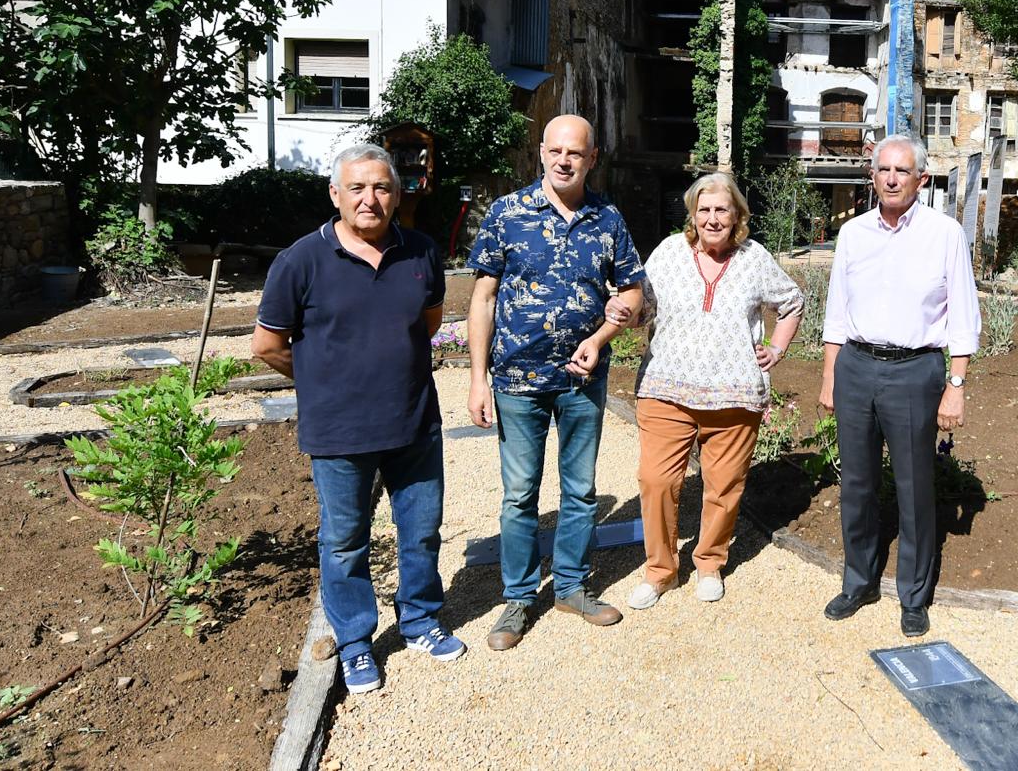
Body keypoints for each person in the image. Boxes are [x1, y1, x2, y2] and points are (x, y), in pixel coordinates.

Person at [252, 144, 462, 696]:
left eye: (383, 188)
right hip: (340, 432)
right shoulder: (301, 260)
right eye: (358, 188)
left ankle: (418, 620)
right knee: (345, 542)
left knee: (421, 533)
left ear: (397, 194)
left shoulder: (419, 251)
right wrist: (324, 384)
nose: (371, 199)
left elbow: (428, 319)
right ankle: (355, 643)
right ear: (336, 195)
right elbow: (268, 345)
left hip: (415, 422)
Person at [467, 114, 645, 649]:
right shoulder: (507, 213)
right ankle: (519, 598)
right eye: (555, 151)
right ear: (541, 152)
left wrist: (604, 335)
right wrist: (477, 380)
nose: (564, 160)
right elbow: (483, 299)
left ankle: (571, 585)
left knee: (580, 490)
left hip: (581, 381)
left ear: (593, 159)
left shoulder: (607, 218)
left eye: (576, 153)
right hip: (517, 379)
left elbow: (633, 295)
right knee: (520, 494)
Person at [604, 172, 803, 610]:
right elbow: (644, 309)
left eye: (722, 210)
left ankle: (710, 563)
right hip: (665, 388)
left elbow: (792, 301)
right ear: (693, 214)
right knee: (655, 481)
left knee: (724, 485)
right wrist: (623, 310)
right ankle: (660, 571)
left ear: (737, 216)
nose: (713, 219)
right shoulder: (669, 252)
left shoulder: (754, 257)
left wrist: (776, 347)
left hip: (734, 394)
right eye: (705, 210)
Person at [819, 133, 980, 638]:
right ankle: (860, 580)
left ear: (921, 179)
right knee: (858, 485)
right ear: (872, 176)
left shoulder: (944, 233)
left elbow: (963, 315)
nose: (891, 178)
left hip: (916, 372)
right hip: (857, 367)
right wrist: (829, 377)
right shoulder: (854, 234)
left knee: (914, 488)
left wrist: (956, 384)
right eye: (883, 170)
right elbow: (836, 311)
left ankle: (913, 595)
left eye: (902, 171)